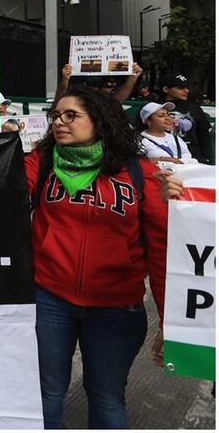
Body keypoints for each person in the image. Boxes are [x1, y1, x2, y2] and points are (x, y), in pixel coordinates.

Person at [27, 84, 182, 428]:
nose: (59, 122)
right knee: (46, 392)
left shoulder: (143, 173)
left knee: (107, 397)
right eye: (56, 115)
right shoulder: (41, 161)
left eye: (71, 115)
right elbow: (2, 188)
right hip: (50, 301)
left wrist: (170, 321)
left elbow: (161, 253)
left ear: (99, 120)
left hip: (116, 309)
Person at [159, 73, 213, 164]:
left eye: (187, 87)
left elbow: (204, 136)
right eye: (181, 88)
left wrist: (206, 158)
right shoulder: (154, 107)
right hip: (163, 157)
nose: (186, 90)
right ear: (166, 89)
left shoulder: (194, 108)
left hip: (194, 158)